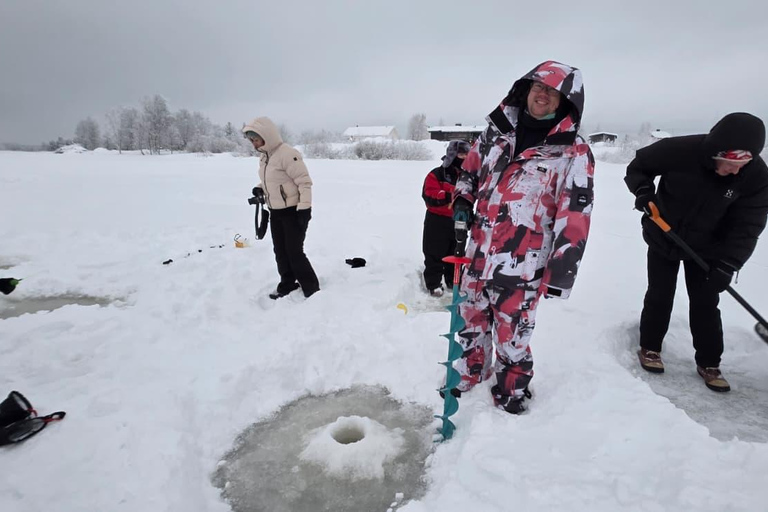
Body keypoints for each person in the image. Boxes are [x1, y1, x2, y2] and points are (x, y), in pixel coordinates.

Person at [450, 61, 594, 414]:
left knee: (513, 336)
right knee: (471, 321)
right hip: (476, 255)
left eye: (552, 91)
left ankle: (511, 392)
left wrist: (560, 275)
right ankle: (471, 375)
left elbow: (574, 217)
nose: (542, 95)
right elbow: (470, 171)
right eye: (537, 87)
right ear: (525, 90)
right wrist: (463, 202)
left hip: (522, 264)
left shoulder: (572, 152)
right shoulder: (496, 133)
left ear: (565, 102)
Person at [625, 112, 768, 392]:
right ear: (718, 151)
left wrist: (728, 264)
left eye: (745, 163)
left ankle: (710, 362)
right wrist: (643, 191)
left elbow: (747, 226)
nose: (737, 171)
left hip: (710, 247)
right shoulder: (680, 150)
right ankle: (650, 347)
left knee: (705, 302)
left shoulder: (757, 178)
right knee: (660, 293)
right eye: (732, 163)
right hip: (664, 233)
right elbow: (639, 166)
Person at [243, 117, 320, 299]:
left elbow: (304, 183)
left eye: (256, 140)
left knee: (294, 252)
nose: (254, 144)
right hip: (275, 212)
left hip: (293, 212)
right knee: (280, 251)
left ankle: (312, 289)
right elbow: (272, 180)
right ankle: (287, 284)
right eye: (251, 141)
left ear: (267, 136)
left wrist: (305, 209)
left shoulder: (287, 153)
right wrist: (260, 187)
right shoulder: (265, 157)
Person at [421, 140, 471, 297]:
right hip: (437, 220)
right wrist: (450, 195)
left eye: (466, 154)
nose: (463, 157)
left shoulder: (468, 176)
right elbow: (428, 195)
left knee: (456, 252)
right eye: (460, 154)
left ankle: (452, 280)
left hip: (458, 220)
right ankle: (434, 283)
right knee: (434, 254)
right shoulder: (437, 174)